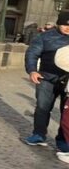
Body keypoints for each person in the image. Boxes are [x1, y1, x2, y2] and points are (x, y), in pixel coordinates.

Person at [23, 12, 69, 150]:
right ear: (58, 24)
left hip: (68, 81)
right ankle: (38, 134)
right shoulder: (44, 37)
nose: (68, 27)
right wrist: (32, 70)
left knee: (66, 112)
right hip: (46, 78)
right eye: (65, 24)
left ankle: (63, 140)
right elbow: (32, 53)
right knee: (43, 107)